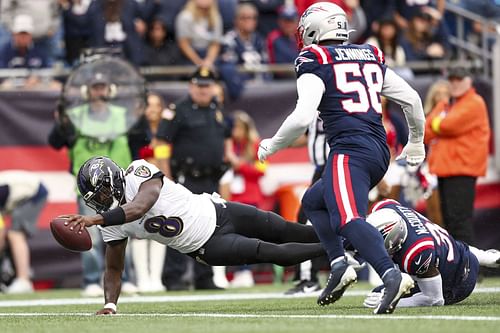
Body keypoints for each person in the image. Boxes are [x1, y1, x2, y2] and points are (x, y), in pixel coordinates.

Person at [257, 2, 426, 314]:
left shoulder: (315, 58)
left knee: (348, 219)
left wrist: (273, 143)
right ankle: (339, 264)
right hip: (378, 151)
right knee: (313, 201)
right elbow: (412, 99)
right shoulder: (369, 54)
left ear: (314, 29)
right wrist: (416, 142)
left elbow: (302, 117)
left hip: (350, 150)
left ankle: (391, 274)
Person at [64, 156, 326, 314]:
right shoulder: (109, 220)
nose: (99, 202)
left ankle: (349, 235)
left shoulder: (137, 172)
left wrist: (93, 219)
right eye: (94, 200)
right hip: (207, 246)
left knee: (287, 229)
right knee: (273, 253)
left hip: (219, 211)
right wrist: (111, 304)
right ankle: (341, 249)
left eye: (100, 194)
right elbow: (113, 268)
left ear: (112, 181)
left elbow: (139, 207)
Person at [48, 71, 136, 297]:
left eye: (102, 87)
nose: (99, 91)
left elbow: (139, 138)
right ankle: (91, 280)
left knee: (121, 232)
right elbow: (56, 142)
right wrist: (61, 123)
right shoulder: (76, 115)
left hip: (118, 185)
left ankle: (125, 278)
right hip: (87, 187)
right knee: (91, 235)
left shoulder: (121, 114)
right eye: (95, 87)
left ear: (109, 90)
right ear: (88, 91)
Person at [154, 67, 230, 291]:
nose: (203, 90)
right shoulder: (178, 110)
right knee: (178, 226)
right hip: (186, 178)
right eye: (199, 85)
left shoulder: (217, 109)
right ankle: (173, 277)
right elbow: (160, 144)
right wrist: (166, 178)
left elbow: (223, 139)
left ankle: (204, 276)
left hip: (211, 178)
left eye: (207, 86)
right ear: (191, 86)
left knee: (210, 227)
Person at [362, 199, 500, 308]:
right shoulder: (387, 208)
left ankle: (485, 258)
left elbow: (435, 299)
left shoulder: (416, 252)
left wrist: (394, 302)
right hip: (457, 250)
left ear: (392, 240)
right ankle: (488, 257)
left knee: (378, 294)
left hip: (459, 281)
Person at [424, 67, 491, 246]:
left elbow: (449, 125)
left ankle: (471, 269)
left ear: (469, 81)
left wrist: (438, 124)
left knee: (460, 223)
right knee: (450, 224)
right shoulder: (446, 105)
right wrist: (439, 124)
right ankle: (460, 269)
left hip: (462, 170)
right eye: (452, 79)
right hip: (444, 170)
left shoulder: (474, 102)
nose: (455, 83)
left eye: (459, 79)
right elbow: (426, 131)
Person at [0, 171, 48, 294]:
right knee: (11, 235)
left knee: (15, 235)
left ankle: (23, 280)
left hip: (34, 192)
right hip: (22, 193)